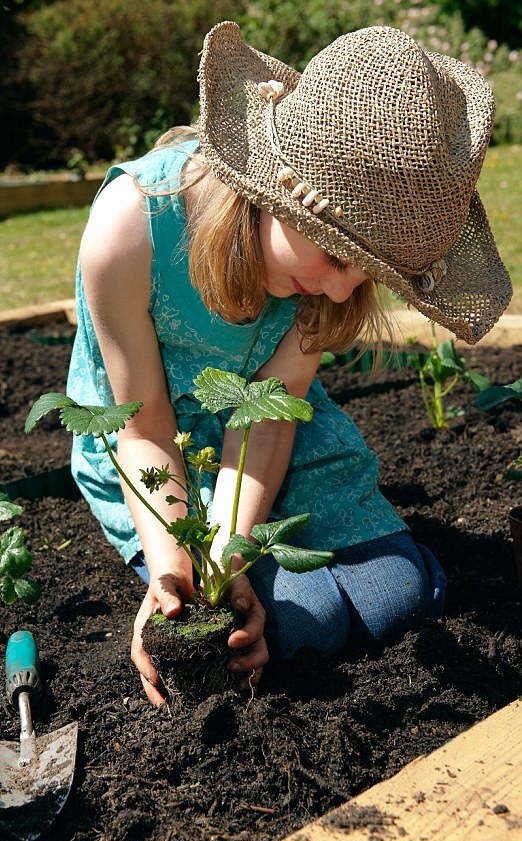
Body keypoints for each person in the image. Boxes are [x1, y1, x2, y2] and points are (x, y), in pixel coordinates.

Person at [67, 22, 512, 705]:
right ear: (273, 190)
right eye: (335, 257)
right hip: (161, 448)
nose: (341, 292)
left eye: (367, 275)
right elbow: (145, 429)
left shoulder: (325, 285)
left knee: (396, 596)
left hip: (269, 436)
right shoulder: (130, 233)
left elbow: (269, 418)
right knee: (292, 625)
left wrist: (237, 549)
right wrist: (179, 578)